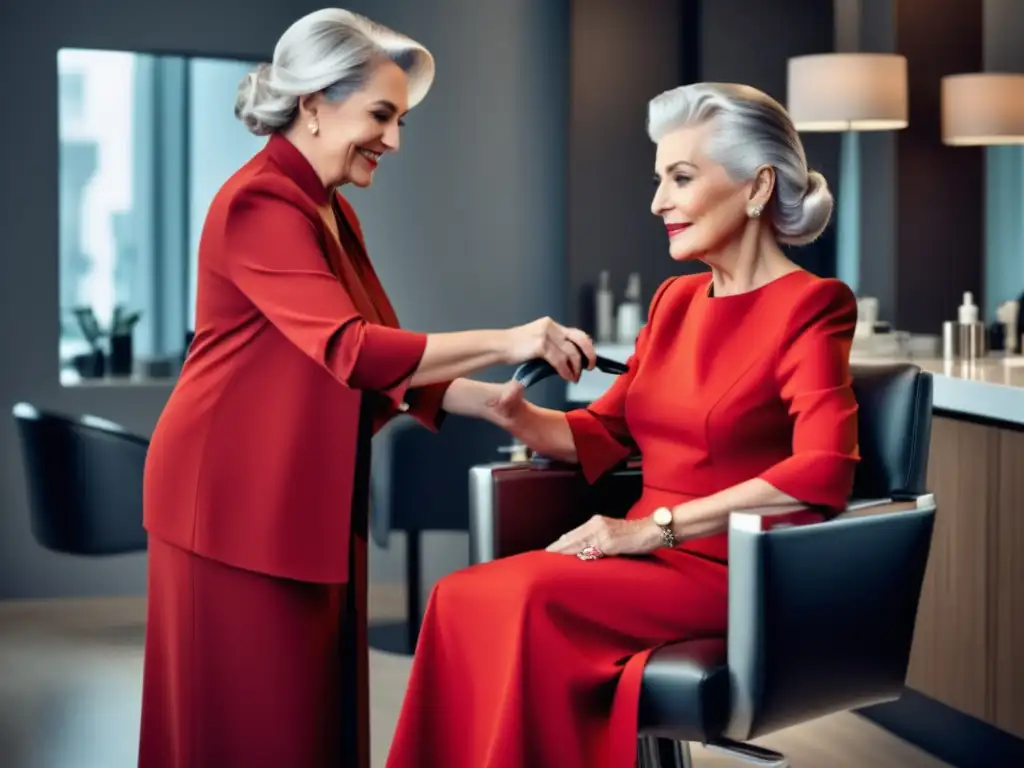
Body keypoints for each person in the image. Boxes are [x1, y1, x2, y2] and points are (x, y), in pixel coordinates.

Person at [138, 8, 594, 768]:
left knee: (312, 717)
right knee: (251, 726)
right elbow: (352, 349)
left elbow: (382, 357)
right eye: (382, 115)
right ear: (313, 105)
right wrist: (513, 337)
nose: (394, 140)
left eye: (401, 119)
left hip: (294, 492)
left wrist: (491, 400)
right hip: (227, 497)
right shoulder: (260, 202)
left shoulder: (330, 209)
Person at [386, 82, 860, 768]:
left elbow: (824, 472)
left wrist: (651, 528)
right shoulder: (675, 299)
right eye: (658, 178)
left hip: (730, 569)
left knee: (521, 598)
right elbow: (600, 436)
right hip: (645, 557)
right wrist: (512, 411)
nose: (658, 201)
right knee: (460, 598)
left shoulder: (813, 306)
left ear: (757, 188)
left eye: (681, 177)